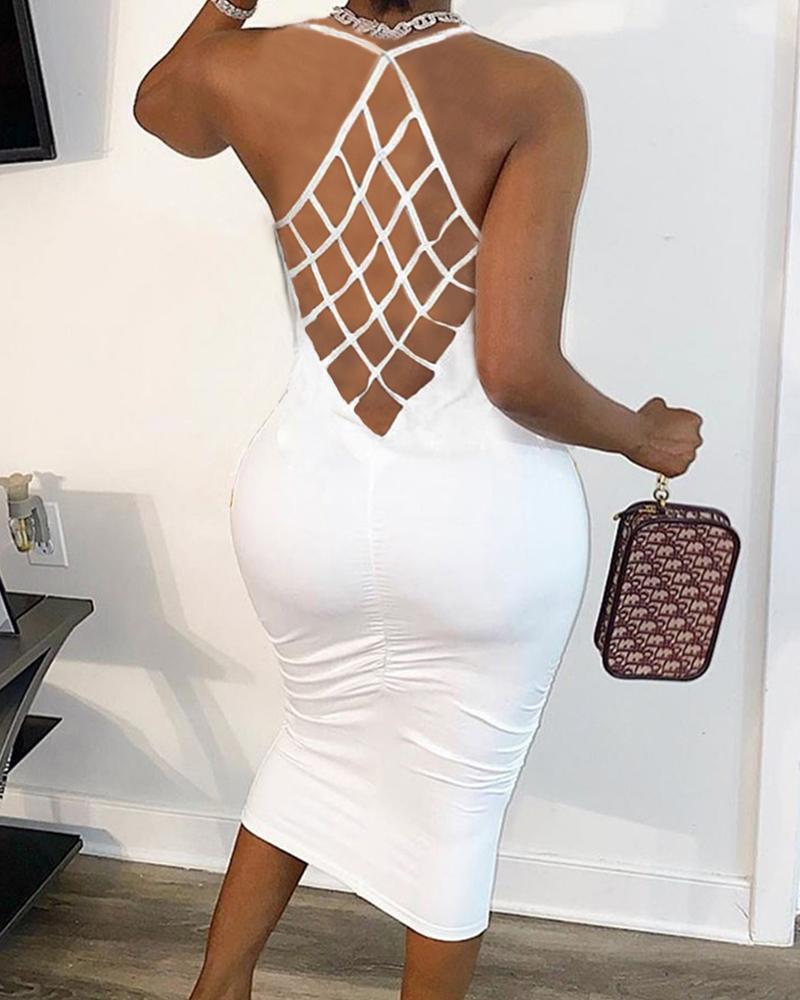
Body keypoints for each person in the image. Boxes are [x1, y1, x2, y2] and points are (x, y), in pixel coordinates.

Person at [134, 2, 703, 998]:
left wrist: (226, 7)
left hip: (300, 506)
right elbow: (515, 371)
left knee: (313, 739)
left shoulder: (244, 68)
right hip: (479, 523)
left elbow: (160, 111)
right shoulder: (532, 94)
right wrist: (639, 434)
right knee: (454, 805)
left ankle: (215, 989)